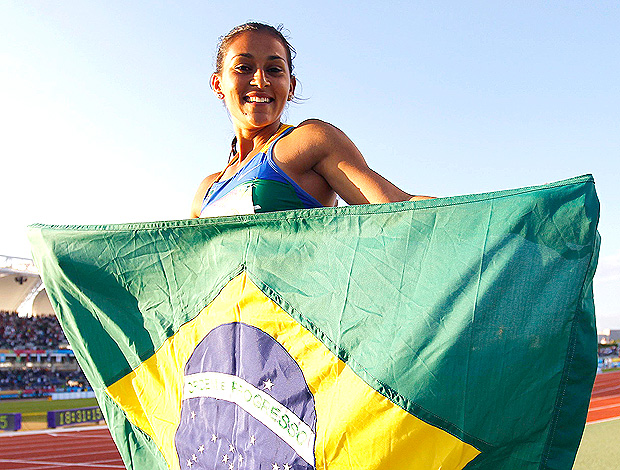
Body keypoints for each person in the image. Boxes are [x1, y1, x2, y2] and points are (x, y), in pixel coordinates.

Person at [191, 22, 432, 218]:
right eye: (244, 67)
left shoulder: (308, 142)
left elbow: (400, 210)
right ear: (218, 84)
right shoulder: (206, 191)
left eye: (274, 70)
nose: (261, 81)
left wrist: (468, 218)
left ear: (291, 86)